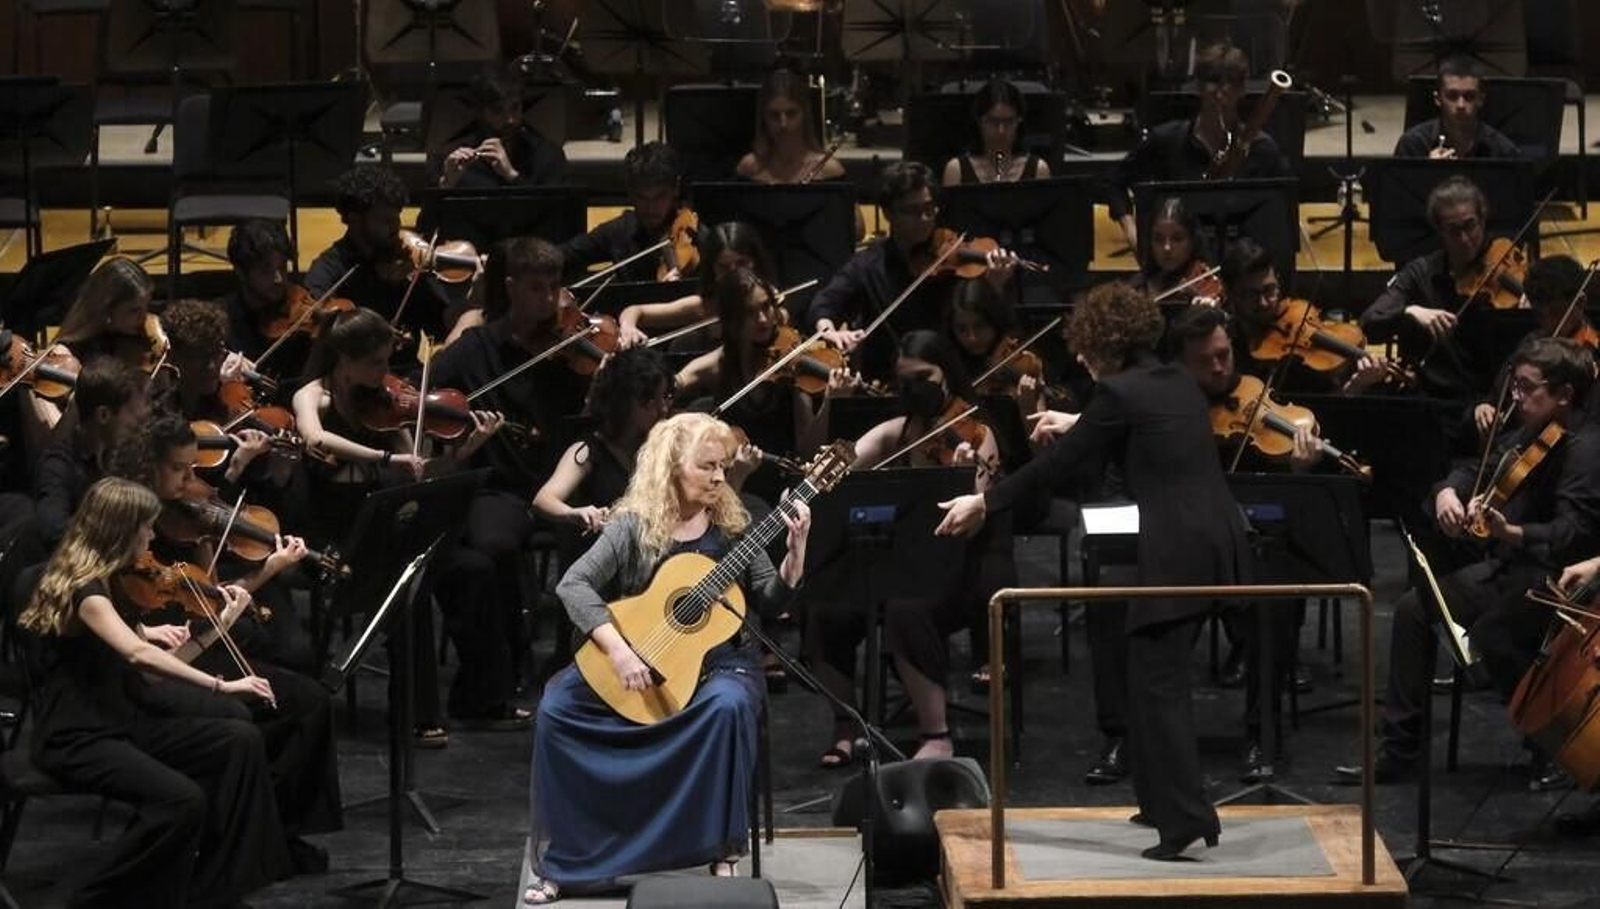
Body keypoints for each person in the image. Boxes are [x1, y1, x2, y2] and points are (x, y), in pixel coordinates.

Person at [937, 281, 1251, 861]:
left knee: (1157, 685)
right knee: (1145, 673)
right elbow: (1128, 423)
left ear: (1103, 342)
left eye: (1085, 349)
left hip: (1177, 549)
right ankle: (1160, 803)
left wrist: (985, 502)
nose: (1081, 359)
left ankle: (1186, 819)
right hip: (1217, 538)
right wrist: (1080, 418)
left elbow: (1058, 467)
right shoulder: (1174, 380)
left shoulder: (1119, 393)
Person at [524, 412, 810, 904]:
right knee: (558, 708)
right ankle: (571, 859)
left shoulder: (734, 522)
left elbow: (769, 598)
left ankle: (719, 850)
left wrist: (795, 555)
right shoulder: (632, 524)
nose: (720, 478)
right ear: (671, 468)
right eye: (707, 466)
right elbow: (573, 585)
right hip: (638, 653)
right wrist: (618, 652)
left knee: (726, 708)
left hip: (720, 663)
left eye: (722, 467)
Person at [1334, 337, 1600, 791]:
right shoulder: (1531, 432)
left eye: (1525, 387)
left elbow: (1571, 535)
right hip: (1512, 569)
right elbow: (1476, 466)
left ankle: (1551, 748)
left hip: (1562, 581)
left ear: (1564, 395)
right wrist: (1446, 492)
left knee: (1496, 633)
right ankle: (1401, 749)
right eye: (1514, 385)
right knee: (1414, 609)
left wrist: (1511, 532)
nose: (1514, 397)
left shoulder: (1587, 449)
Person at [19, 477, 292, 907]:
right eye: (145, 527)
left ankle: (215, 886)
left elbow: (138, 655)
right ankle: (84, 899)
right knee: (182, 801)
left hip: (119, 716)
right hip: (78, 736)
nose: (151, 536)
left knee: (236, 740)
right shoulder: (87, 592)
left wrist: (195, 625)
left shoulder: (113, 582)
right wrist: (222, 685)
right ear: (121, 531)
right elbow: (138, 656)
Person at [292, 305, 511, 742]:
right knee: (408, 589)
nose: (386, 373)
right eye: (376, 363)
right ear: (344, 360)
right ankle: (414, 715)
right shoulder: (312, 396)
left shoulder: (388, 404)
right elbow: (315, 437)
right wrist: (385, 458)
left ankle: (481, 697)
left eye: (387, 361)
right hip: (336, 542)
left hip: (389, 532)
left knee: (474, 569)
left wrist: (464, 451)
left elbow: (418, 474)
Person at [807, 329, 1010, 766]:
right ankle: (846, 725)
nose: (915, 390)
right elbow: (843, 461)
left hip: (958, 570)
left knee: (905, 607)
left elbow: (974, 520)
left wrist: (960, 480)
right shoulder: (896, 432)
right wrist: (825, 461)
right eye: (906, 382)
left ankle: (936, 735)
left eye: (924, 378)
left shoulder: (977, 434)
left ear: (946, 374)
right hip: (897, 564)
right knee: (826, 608)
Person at [805, 161, 1017, 381]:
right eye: (913, 211)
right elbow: (825, 303)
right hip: (887, 381)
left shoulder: (954, 258)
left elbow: (991, 330)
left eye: (929, 208)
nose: (925, 219)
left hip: (952, 379)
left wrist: (994, 287)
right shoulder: (868, 264)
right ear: (888, 213)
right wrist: (830, 331)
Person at [1109, 43, 1291, 255]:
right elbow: (1114, 182)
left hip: (1241, 263)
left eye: (1232, 82)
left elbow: (1283, 211)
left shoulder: (1262, 149)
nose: (1222, 92)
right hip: (1177, 261)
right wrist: (1134, 235)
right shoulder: (1166, 140)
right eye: (1214, 81)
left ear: (1242, 90)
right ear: (1198, 87)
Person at [1360, 176, 1503, 444]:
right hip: (1429, 406)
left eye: (1470, 225)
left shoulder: (1503, 273)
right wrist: (1410, 312)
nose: (1465, 239)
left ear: (1483, 220)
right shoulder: (1420, 273)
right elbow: (1370, 322)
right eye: (1453, 230)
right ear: (1439, 232)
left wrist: (1490, 400)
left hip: (1485, 406)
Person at [1220, 238, 1392, 395]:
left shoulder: (1300, 358)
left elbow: (1327, 406)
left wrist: (1358, 384)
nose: (1264, 303)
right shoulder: (1225, 349)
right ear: (1229, 292)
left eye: (1269, 290)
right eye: (1251, 294)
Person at [305, 166, 456, 344]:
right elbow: (315, 316)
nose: (396, 227)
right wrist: (374, 331)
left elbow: (439, 329)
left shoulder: (408, 262)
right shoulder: (330, 267)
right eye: (386, 220)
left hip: (406, 362)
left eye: (397, 218)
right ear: (355, 219)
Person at [33, 357, 150, 549]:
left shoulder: (121, 459)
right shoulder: (58, 464)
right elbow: (52, 529)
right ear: (103, 415)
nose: (140, 431)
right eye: (135, 424)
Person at [615, 221, 777, 349]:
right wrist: (628, 326)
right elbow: (635, 310)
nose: (734, 274)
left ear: (755, 262)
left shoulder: (770, 302)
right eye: (724, 267)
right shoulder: (704, 306)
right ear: (712, 269)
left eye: (742, 263)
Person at [559, 141, 690, 285]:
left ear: (676, 189)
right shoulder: (620, 230)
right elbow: (562, 256)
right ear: (631, 194)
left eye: (660, 196)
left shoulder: (694, 235)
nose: (651, 207)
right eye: (642, 197)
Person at [432, 67, 568, 191]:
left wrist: (511, 175)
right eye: (498, 111)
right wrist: (447, 184)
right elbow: (429, 211)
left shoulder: (548, 156)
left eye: (514, 108)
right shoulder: (450, 160)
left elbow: (553, 209)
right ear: (480, 112)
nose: (510, 120)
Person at [219, 218, 312, 381]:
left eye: (282, 267)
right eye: (265, 270)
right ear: (241, 272)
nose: (279, 279)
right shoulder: (222, 319)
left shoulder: (302, 310)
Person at [1393, 57, 1520, 160]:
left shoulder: (1503, 151)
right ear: (1438, 99)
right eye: (1452, 96)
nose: (1461, 105)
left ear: (1480, 100)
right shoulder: (1413, 145)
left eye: (1469, 96)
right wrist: (1428, 171)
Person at [736, 69, 845, 185]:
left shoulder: (829, 170)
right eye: (774, 115)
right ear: (764, 118)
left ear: (805, 116)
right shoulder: (748, 168)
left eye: (791, 114)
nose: (783, 124)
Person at [941, 78, 1052, 186]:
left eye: (1009, 122)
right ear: (979, 122)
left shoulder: (1038, 170)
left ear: (1019, 122)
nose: (1001, 131)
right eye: (993, 122)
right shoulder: (956, 170)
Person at [1128, 197, 1219, 306]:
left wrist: (1207, 308)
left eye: (1177, 239)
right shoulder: (1139, 284)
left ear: (1193, 240)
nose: (1167, 248)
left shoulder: (1204, 281)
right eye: (1158, 239)